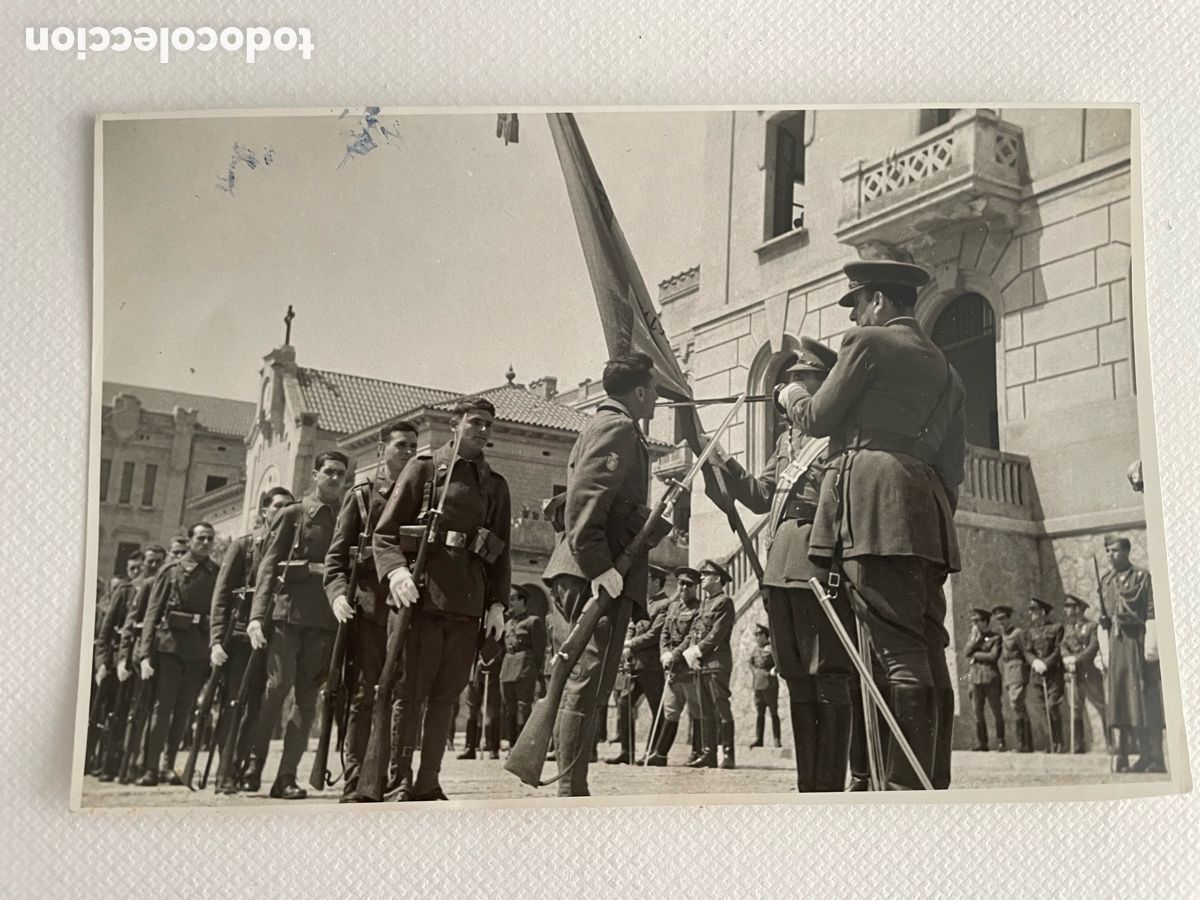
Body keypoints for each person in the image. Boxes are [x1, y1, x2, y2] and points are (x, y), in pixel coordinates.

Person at [777, 260, 966, 790]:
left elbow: (817, 418)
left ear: (880, 302)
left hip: (873, 511)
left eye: (858, 301)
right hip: (925, 515)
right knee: (928, 643)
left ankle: (905, 788)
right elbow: (953, 466)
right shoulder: (948, 370)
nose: (856, 312)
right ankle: (931, 777)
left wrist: (792, 397)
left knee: (898, 652)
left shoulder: (867, 341)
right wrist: (918, 505)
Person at [720, 336, 855, 790]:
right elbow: (762, 496)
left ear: (824, 387)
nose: (791, 387)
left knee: (827, 675)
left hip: (816, 563)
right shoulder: (787, 440)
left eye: (803, 380)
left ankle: (830, 785)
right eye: (790, 379)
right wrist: (723, 467)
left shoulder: (838, 434)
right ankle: (809, 783)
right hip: (778, 566)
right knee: (796, 677)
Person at [541, 353, 671, 796]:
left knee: (585, 678)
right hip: (589, 572)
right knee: (582, 677)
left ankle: (573, 783)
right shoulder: (616, 428)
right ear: (638, 392)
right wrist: (600, 568)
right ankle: (569, 790)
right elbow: (583, 504)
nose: (656, 396)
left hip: (592, 569)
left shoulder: (610, 425)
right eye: (653, 388)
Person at [374, 396, 510, 801]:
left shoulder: (495, 484)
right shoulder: (425, 469)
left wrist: (498, 604)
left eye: (488, 424)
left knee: (446, 697)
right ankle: (399, 779)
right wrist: (396, 570)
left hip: (467, 605)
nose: (483, 430)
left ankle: (429, 780)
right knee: (409, 693)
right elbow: (384, 533)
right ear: (455, 423)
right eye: (475, 422)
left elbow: (500, 551)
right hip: (424, 599)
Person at [324, 422, 419, 801]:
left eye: (413, 445)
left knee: (405, 694)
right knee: (364, 695)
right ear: (383, 449)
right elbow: (335, 559)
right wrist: (336, 596)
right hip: (369, 610)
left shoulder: (424, 494)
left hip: (410, 611)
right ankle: (357, 778)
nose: (408, 452)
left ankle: (396, 779)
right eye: (400, 446)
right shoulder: (363, 496)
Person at [247, 451, 349, 799]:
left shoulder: (350, 516)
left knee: (307, 700)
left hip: (325, 622)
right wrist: (256, 617)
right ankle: (252, 763)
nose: (335, 478)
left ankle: (286, 777)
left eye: (341, 473)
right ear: (316, 475)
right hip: (287, 616)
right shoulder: (293, 514)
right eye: (329, 471)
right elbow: (268, 567)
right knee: (277, 688)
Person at [208, 487, 294, 794]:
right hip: (243, 637)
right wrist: (217, 640)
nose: (284, 512)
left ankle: (243, 766)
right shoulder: (244, 547)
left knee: (258, 707)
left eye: (289, 507)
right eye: (278, 507)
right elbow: (221, 596)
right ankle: (224, 773)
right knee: (235, 704)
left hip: (276, 636)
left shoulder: (292, 549)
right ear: (264, 512)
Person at [134, 523, 219, 786]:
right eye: (200, 538)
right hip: (169, 649)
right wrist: (145, 654)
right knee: (162, 709)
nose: (205, 543)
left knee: (184, 710)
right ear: (190, 541)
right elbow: (152, 614)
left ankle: (169, 765)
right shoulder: (170, 572)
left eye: (209, 539)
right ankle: (150, 767)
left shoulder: (216, 572)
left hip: (198, 652)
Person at [91, 547, 163, 780]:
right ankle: (107, 763)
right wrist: (103, 663)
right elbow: (107, 632)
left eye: (157, 562)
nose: (152, 566)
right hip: (122, 661)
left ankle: (132, 764)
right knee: (117, 713)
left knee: (140, 713)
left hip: (150, 659)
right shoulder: (126, 590)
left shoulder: (163, 585)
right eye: (149, 562)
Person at [1100, 534, 1164, 773]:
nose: (1110, 555)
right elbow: (1105, 614)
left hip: (1137, 644)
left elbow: (1150, 611)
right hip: (1117, 648)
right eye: (1108, 551)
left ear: (1127, 551)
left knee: (1144, 702)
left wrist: (1151, 645)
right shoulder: (1107, 581)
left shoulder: (1142, 577)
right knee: (1120, 702)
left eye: (1115, 550)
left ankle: (1154, 757)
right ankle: (1123, 755)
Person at [606, 564, 671, 765]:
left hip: (652, 665)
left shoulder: (666, 604)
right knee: (625, 703)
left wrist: (630, 644)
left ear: (656, 581)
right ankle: (627, 751)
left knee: (656, 709)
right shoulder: (643, 603)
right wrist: (627, 644)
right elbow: (632, 625)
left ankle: (653, 752)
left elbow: (654, 634)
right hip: (635, 664)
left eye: (648, 579)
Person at [644, 567, 703, 766]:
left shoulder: (699, 609)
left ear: (696, 587)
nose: (684, 587)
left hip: (688, 668)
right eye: (681, 583)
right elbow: (664, 635)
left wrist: (674, 655)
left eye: (689, 584)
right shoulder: (673, 608)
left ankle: (697, 753)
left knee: (696, 712)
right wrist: (663, 655)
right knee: (670, 711)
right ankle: (660, 754)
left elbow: (691, 637)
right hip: (671, 670)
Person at [681, 559, 736, 769]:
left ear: (717, 578)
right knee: (704, 710)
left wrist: (698, 650)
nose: (701, 577)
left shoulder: (724, 602)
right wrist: (688, 651)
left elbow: (717, 634)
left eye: (706, 574)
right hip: (701, 663)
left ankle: (728, 754)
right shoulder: (704, 603)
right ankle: (708, 754)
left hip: (716, 662)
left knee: (721, 707)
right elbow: (695, 632)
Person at [500, 585, 547, 748]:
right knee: (510, 708)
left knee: (523, 707)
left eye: (513, 599)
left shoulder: (532, 621)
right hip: (508, 666)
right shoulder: (507, 624)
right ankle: (513, 745)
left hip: (525, 667)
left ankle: (524, 747)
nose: (510, 602)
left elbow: (539, 649)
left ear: (522, 601)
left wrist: (536, 672)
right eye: (509, 599)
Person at [1061, 594, 1106, 754]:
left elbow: (1093, 647)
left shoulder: (1092, 627)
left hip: (1088, 673)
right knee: (1076, 708)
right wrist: (1067, 659)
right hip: (1073, 674)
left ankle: (1112, 744)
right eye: (1066, 607)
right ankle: (1078, 745)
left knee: (1101, 705)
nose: (1066, 610)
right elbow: (1063, 647)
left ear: (1078, 609)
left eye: (1069, 606)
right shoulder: (1068, 629)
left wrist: (1077, 659)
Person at [1022, 597, 1065, 753]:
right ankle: (1051, 743)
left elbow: (1058, 649)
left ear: (1042, 612)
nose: (1030, 613)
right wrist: (1034, 662)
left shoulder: (1056, 628)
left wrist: (1046, 663)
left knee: (1052, 706)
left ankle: (1059, 742)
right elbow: (1027, 650)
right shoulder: (1030, 631)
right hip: (1037, 675)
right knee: (1042, 710)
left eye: (1033, 610)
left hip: (1053, 673)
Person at [457, 630, 504, 760]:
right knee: (472, 709)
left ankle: (494, 748)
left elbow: (504, 647)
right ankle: (470, 747)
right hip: (476, 672)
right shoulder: (475, 624)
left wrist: (493, 660)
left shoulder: (499, 623)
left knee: (494, 710)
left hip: (494, 671)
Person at [992, 605, 1032, 753]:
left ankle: (1024, 744)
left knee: (1017, 704)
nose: (1000, 622)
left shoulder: (1017, 633)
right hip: (1008, 672)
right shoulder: (1002, 634)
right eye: (998, 619)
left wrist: (1032, 666)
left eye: (1003, 618)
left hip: (1018, 670)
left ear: (1010, 618)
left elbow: (1026, 652)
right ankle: (1024, 744)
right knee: (1017, 706)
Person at [963, 607, 1004, 751]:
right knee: (977, 712)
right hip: (975, 679)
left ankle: (1001, 741)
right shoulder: (974, 638)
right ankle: (982, 743)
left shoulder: (995, 637)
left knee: (996, 710)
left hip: (990, 678)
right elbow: (966, 653)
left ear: (985, 621)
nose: (974, 624)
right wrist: (976, 641)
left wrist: (976, 656)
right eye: (973, 621)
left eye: (977, 621)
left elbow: (993, 657)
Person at [748, 624, 782, 748]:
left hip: (770, 685)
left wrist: (774, 670)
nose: (756, 637)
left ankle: (777, 739)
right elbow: (751, 663)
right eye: (755, 635)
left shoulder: (772, 648)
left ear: (764, 635)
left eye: (758, 634)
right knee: (760, 712)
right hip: (758, 684)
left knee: (773, 712)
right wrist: (755, 672)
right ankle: (759, 739)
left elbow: (779, 661)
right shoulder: (755, 650)